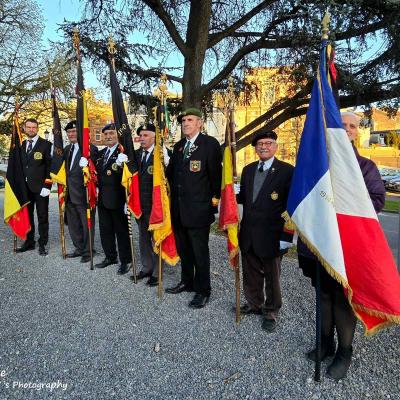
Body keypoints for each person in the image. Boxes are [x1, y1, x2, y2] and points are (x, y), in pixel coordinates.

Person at [297, 111, 385, 380]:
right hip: (317, 244)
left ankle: (344, 351)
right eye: (341, 124)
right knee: (323, 295)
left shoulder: (365, 167)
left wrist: (342, 205)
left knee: (343, 300)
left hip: (348, 248)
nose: (346, 129)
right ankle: (326, 343)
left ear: (357, 132)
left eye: (352, 126)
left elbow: (377, 199)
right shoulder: (316, 164)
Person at [236, 130, 293, 332]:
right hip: (249, 232)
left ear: (275, 146)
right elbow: (244, 198)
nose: (264, 147)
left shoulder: (287, 171)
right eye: (260, 144)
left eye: (268, 143)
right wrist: (230, 194)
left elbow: (291, 206)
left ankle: (271, 311)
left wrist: (287, 236)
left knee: (272, 277)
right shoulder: (248, 170)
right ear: (255, 148)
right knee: (250, 273)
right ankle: (254, 303)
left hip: (272, 234)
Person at [165, 108, 222, 309]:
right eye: (183, 121)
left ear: (200, 122)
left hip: (198, 210)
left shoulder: (210, 144)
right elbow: (171, 175)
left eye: (190, 120)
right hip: (179, 210)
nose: (185, 123)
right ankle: (187, 281)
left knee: (199, 252)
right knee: (184, 250)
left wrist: (212, 203)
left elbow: (216, 178)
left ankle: (203, 290)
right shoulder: (179, 146)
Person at [131, 124, 170, 286]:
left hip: (156, 206)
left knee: (157, 238)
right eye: (140, 135)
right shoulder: (136, 154)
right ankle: (147, 267)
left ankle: (157, 271)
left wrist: (167, 163)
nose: (142, 138)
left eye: (146, 135)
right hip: (140, 205)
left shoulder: (162, 154)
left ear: (155, 137)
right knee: (143, 238)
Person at [94, 123, 131, 275]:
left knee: (121, 232)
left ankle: (126, 260)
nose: (108, 136)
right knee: (105, 230)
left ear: (117, 135)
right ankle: (110, 257)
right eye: (106, 134)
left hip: (118, 199)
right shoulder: (101, 153)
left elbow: (130, 176)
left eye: (111, 133)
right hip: (103, 198)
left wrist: (124, 164)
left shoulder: (124, 152)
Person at [63, 120, 98, 263]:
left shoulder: (90, 149)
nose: (71, 134)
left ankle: (88, 251)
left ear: (80, 133)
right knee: (73, 223)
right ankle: (79, 247)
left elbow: (95, 172)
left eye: (74, 131)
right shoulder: (66, 149)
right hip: (69, 194)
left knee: (87, 224)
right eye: (69, 132)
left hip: (84, 194)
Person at [17, 118, 52, 256]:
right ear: (24, 128)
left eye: (34, 127)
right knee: (27, 216)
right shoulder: (22, 144)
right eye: (29, 127)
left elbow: (50, 167)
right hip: (25, 188)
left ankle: (42, 243)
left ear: (37, 128)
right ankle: (29, 242)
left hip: (41, 188)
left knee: (42, 216)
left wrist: (47, 185)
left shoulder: (46, 144)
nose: (31, 129)